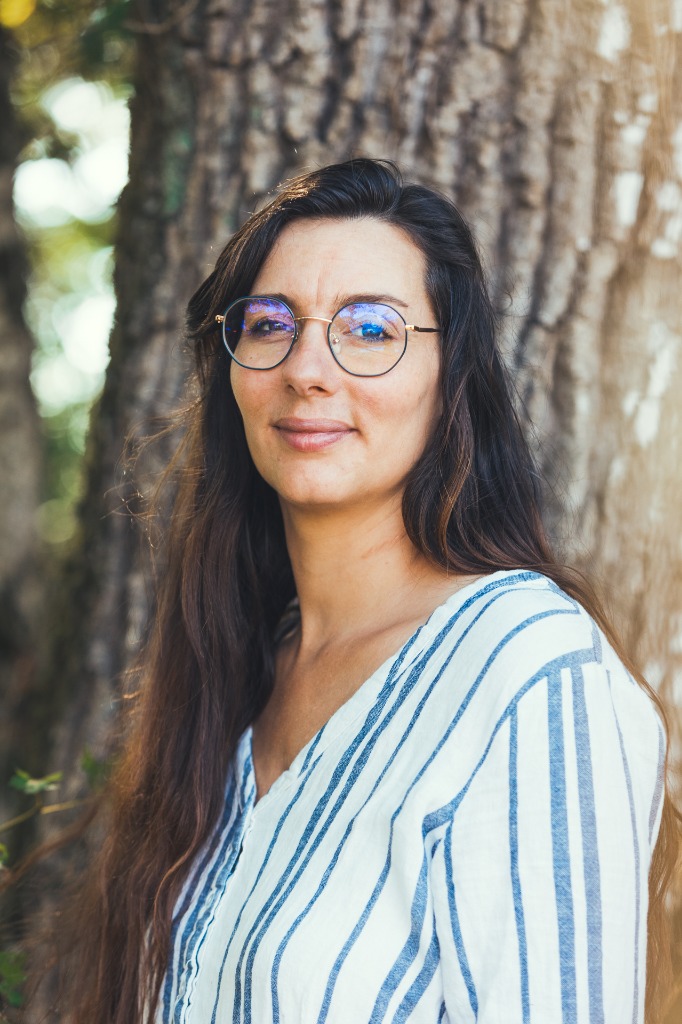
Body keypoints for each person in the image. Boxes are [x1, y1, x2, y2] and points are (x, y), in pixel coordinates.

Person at [62, 159, 678, 1024]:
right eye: (271, 323)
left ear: (450, 374)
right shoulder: (232, 676)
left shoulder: (530, 672)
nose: (307, 368)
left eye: (372, 329)